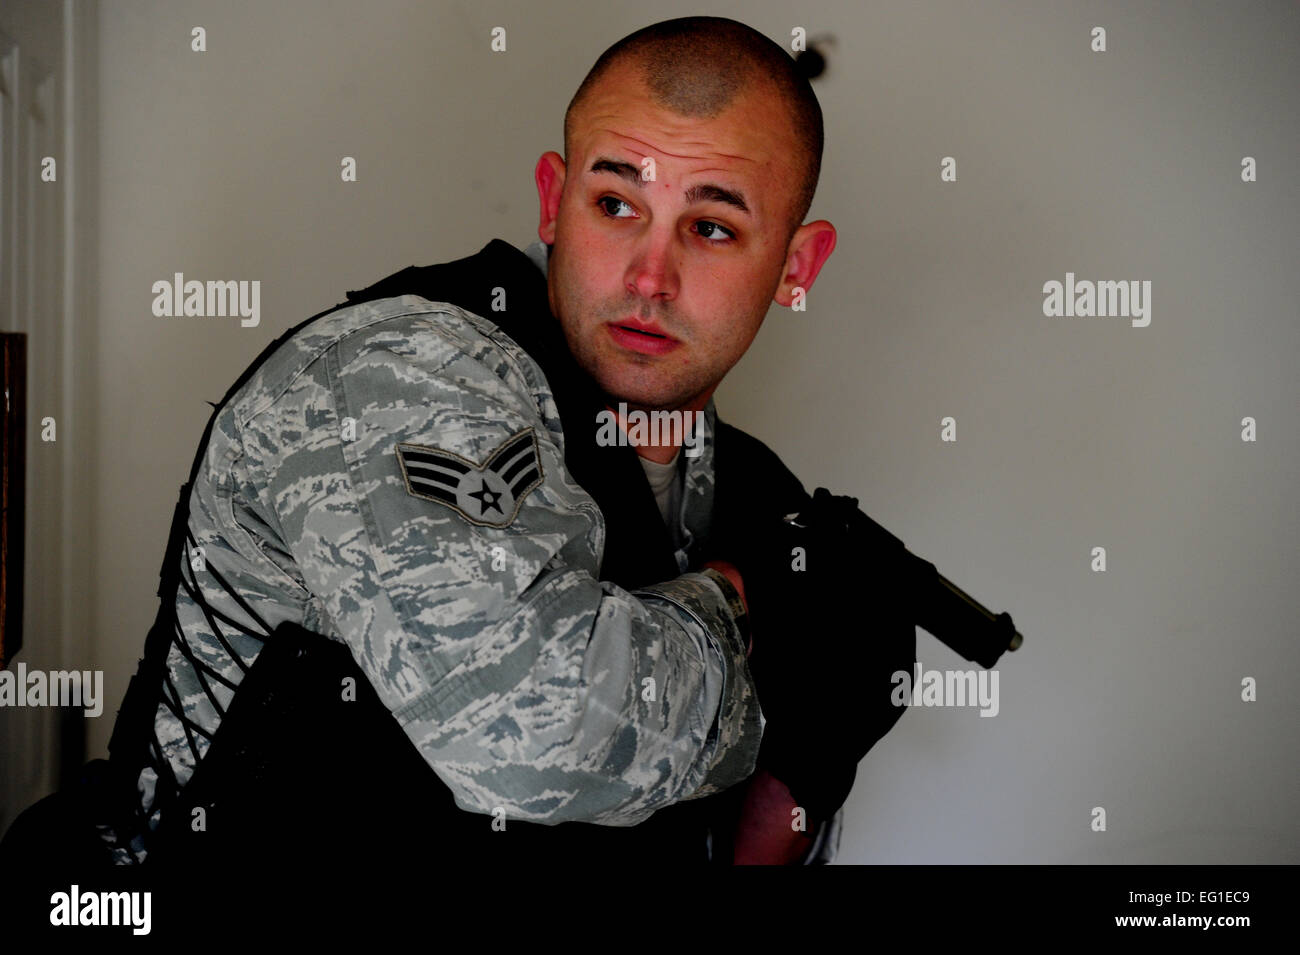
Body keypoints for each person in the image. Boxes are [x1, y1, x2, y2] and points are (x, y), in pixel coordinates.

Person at [4, 16, 915, 870]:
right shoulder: (403, 372)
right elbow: (530, 735)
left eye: (712, 228)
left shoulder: (753, 490)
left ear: (797, 265)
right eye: (615, 202)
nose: (650, 276)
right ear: (555, 202)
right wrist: (740, 601)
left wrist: (812, 743)